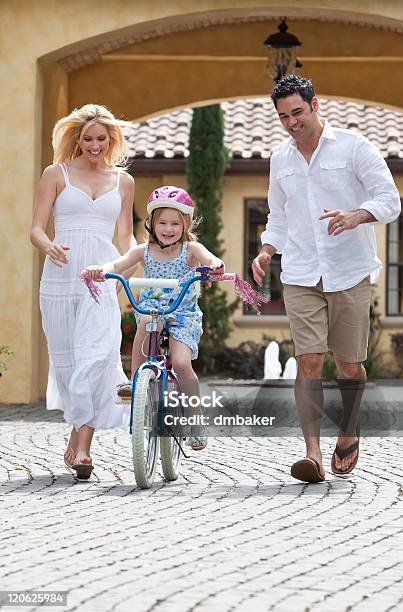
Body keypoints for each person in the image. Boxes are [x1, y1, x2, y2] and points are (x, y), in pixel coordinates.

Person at [252, 75, 401, 483]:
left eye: (297, 112)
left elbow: (390, 200)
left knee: (350, 367)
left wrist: (357, 215)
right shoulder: (280, 159)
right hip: (300, 272)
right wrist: (267, 250)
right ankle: (312, 454)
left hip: (349, 271)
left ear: (315, 105)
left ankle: (350, 430)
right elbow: (279, 216)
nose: (291, 122)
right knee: (309, 361)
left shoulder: (354, 148)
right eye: (283, 116)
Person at [30, 104, 136, 479]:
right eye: (88, 139)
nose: (94, 145)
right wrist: (49, 247)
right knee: (70, 364)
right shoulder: (55, 173)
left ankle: (84, 449)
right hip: (60, 277)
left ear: (111, 140)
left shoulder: (124, 181)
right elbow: (36, 229)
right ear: (78, 139)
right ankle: (75, 436)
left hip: (101, 278)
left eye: (101, 139)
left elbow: (125, 235)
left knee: (98, 356)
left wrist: (133, 263)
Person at [84, 185, 225, 450]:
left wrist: (215, 266)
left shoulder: (191, 250)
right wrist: (101, 270)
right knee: (149, 321)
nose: (168, 229)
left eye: (175, 223)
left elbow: (209, 258)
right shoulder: (143, 251)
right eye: (162, 222)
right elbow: (118, 264)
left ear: (185, 225)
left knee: (182, 363)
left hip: (183, 314)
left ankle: (195, 421)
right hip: (153, 310)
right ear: (151, 223)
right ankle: (136, 380)